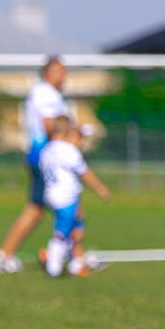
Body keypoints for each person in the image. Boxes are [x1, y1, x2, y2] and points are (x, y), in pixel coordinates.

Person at [0, 57, 68, 273]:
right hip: (46, 155)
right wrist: (69, 144)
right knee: (70, 205)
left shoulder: (47, 93)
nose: (64, 75)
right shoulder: (46, 94)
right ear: (48, 72)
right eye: (60, 70)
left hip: (41, 154)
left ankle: (4, 255)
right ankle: (76, 258)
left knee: (36, 209)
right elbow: (50, 127)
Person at [39, 117, 110, 277]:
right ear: (66, 132)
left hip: (52, 195)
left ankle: (76, 263)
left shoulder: (46, 150)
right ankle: (53, 266)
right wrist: (100, 188)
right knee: (62, 232)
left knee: (75, 227)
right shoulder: (67, 151)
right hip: (66, 197)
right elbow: (84, 172)